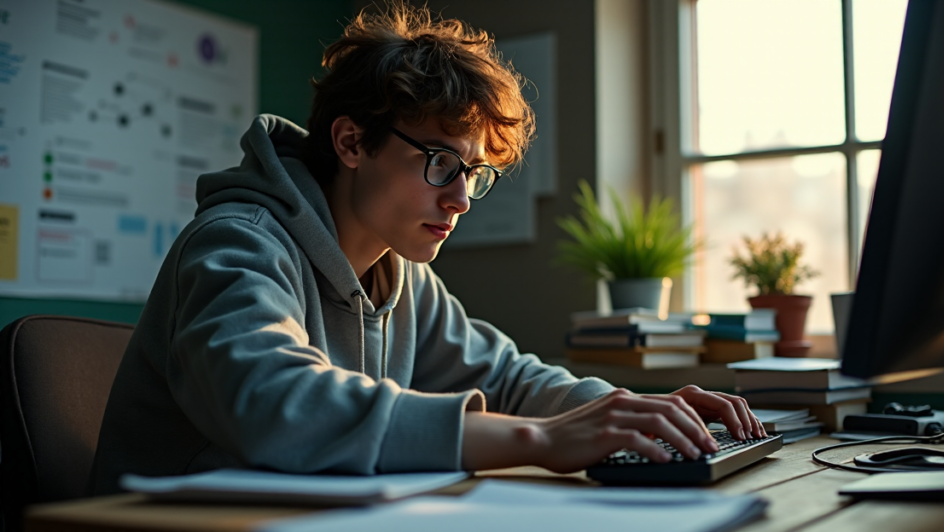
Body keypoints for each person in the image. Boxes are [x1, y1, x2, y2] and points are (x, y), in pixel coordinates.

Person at [89, 1, 765, 495]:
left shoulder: (397, 270)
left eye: (473, 172)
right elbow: (276, 403)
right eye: (440, 162)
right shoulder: (237, 242)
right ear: (353, 144)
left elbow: (507, 379)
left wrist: (631, 412)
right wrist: (541, 441)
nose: (462, 198)